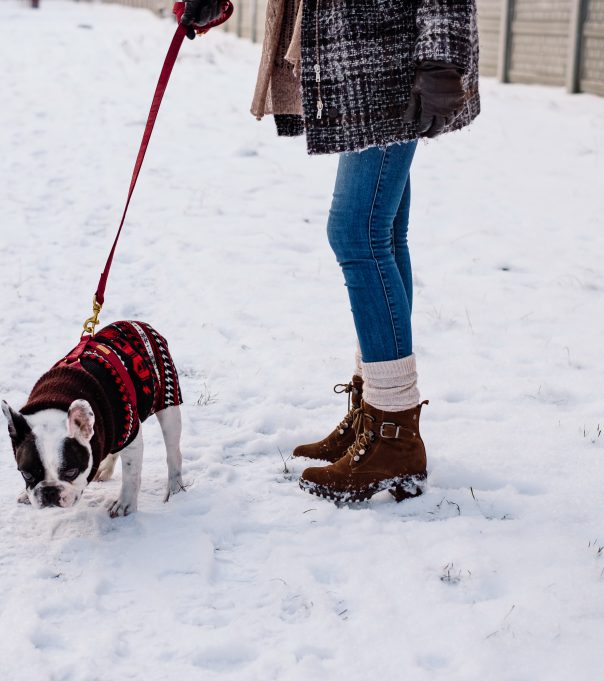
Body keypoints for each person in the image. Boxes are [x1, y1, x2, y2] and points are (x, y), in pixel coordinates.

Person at [181, 0, 480, 502]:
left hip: (393, 57)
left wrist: (441, 60)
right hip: (365, 57)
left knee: (356, 234)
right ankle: (377, 414)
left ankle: (394, 437)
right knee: (381, 233)